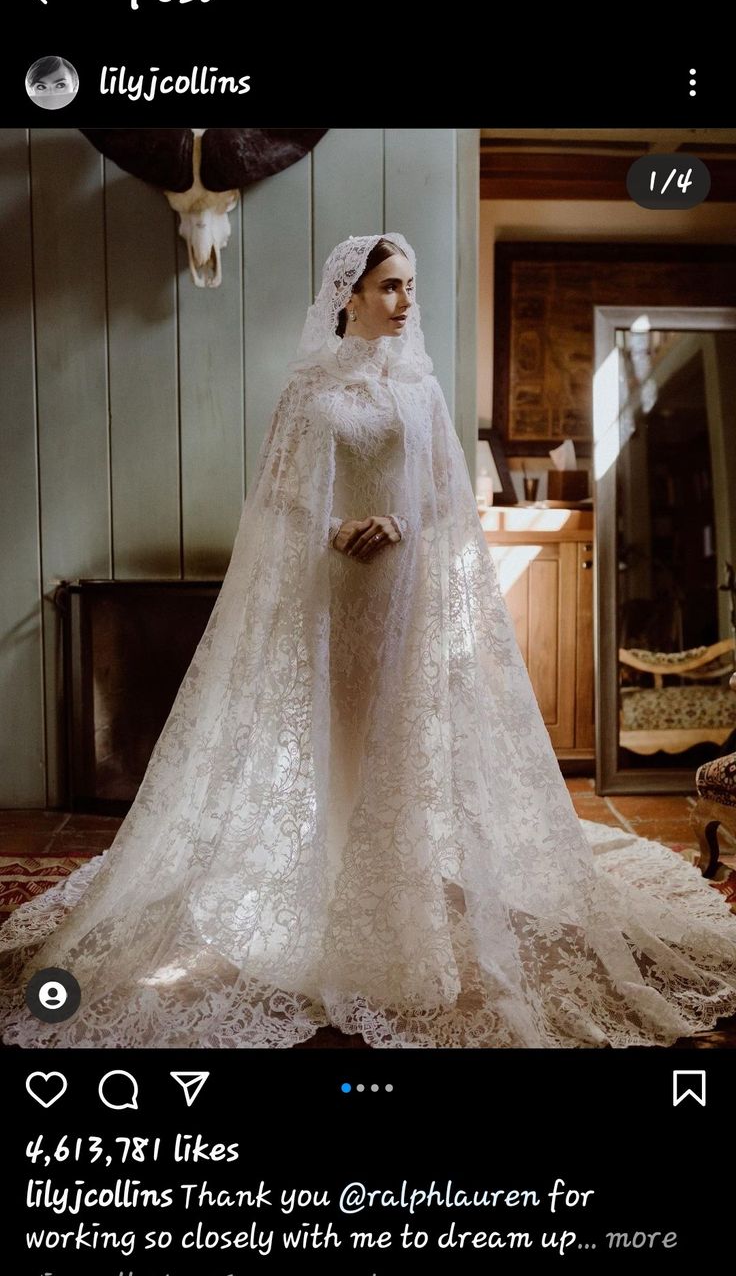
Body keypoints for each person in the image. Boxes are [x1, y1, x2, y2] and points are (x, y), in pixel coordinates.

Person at [2, 232, 736, 1050]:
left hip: (404, 593)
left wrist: (397, 521)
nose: (406, 300)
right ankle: (330, 906)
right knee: (341, 740)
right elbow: (276, 507)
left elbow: (442, 504)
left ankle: (398, 911)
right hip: (337, 593)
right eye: (390, 286)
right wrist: (336, 526)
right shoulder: (308, 393)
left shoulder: (421, 390)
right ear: (348, 294)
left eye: (411, 286)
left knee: (403, 746)